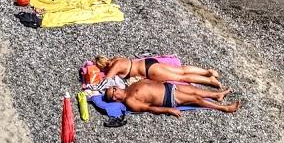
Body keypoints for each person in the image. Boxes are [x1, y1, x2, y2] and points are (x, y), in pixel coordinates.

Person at [104, 80, 240, 116]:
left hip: (168, 87)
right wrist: (168, 110)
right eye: (113, 96)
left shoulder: (130, 86)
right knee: (196, 99)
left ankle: (217, 95)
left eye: (114, 90)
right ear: (115, 100)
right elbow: (149, 108)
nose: (115, 93)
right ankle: (225, 108)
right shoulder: (129, 101)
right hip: (168, 97)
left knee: (194, 90)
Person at [94, 56, 225, 89]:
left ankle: (209, 80)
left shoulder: (114, 66)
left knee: (181, 77)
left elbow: (106, 81)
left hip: (149, 71)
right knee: (181, 70)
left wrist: (94, 85)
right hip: (149, 63)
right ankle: (207, 72)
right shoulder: (117, 58)